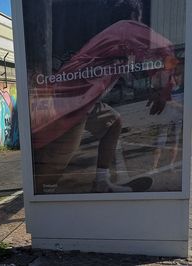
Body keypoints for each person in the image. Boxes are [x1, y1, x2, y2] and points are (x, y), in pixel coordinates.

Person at [31, 0, 178, 193]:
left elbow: (147, 59)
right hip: (70, 104)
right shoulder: (126, 27)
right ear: (136, 15)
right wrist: (163, 91)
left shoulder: (113, 37)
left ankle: (101, 182)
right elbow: (163, 50)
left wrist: (156, 85)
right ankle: (46, 199)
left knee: (112, 123)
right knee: (50, 172)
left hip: (82, 100)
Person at [152, 61, 184, 173]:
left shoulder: (184, 90)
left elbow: (183, 108)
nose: (176, 79)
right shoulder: (167, 89)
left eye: (179, 76)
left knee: (175, 141)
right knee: (161, 141)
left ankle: (171, 165)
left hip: (177, 119)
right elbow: (162, 101)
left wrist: (173, 104)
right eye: (175, 76)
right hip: (166, 118)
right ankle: (154, 166)